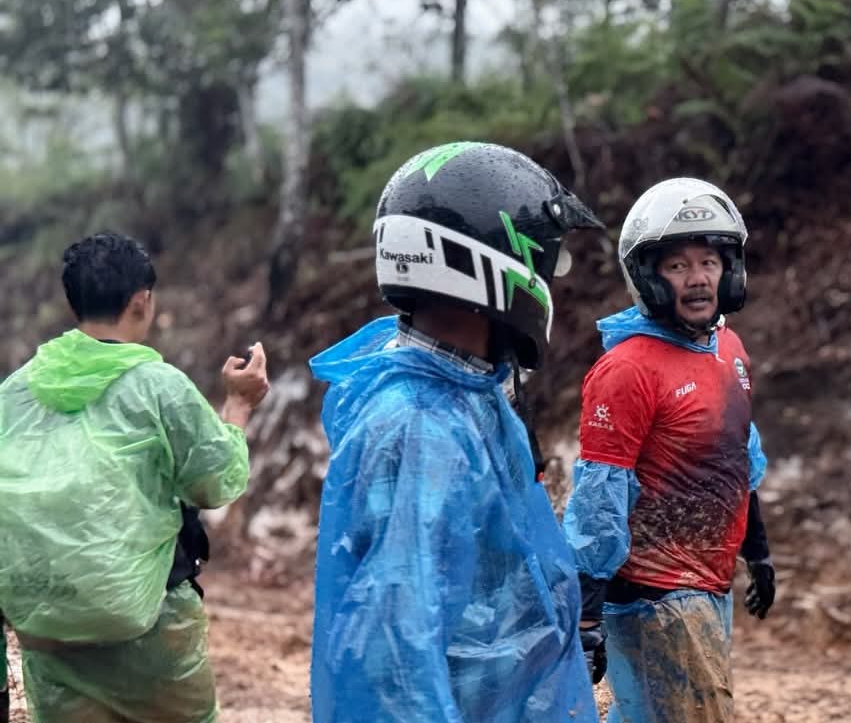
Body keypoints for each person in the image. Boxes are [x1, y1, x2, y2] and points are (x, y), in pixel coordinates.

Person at [308, 141, 607, 723]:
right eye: (546, 264)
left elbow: (500, 564)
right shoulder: (421, 427)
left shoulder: (465, 393)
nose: (552, 281)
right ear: (491, 262)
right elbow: (395, 651)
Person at [0, 231, 268, 723]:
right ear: (142, 301)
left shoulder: (16, 391)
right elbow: (216, 482)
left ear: (74, 302)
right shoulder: (159, 387)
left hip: (48, 627)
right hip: (150, 633)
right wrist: (238, 405)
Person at [563, 177, 775, 723]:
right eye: (678, 266)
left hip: (709, 585)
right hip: (652, 596)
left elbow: (738, 460)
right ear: (648, 277)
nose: (698, 278)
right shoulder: (627, 369)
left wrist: (758, 552)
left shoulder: (728, 350)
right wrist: (586, 619)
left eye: (709, 262)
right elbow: (598, 499)